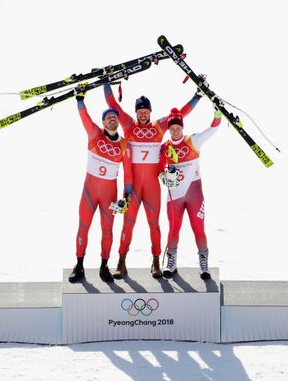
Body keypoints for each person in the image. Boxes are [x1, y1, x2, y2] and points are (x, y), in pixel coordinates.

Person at [103, 83, 201, 279]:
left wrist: (197, 96)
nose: (143, 114)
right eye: (140, 111)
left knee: (154, 224)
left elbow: (180, 114)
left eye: (146, 111)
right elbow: (113, 104)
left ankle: (156, 261)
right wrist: (106, 82)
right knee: (127, 224)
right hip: (132, 187)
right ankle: (121, 261)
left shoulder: (159, 126)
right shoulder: (129, 125)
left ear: (150, 112)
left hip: (152, 187)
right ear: (136, 112)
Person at [69, 88, 132, 284]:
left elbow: (128, 175)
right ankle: (79, 265)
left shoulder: (124, 145)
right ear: (103, 122)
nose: (112, 119)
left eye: (115, 117)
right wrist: (80, 99)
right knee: (83, 227)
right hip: (89, 191)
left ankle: (104, 265)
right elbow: (85, 117)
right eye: (108, 117)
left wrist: (126, 198)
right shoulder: (95, 134)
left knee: (107, 230)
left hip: (109, 194)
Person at [158, 106, 222, 280]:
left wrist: (217, 113)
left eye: (178, 127)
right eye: (172, 128)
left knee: (198, 228)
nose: (175, 131)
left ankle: (203, 263)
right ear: (168, 129)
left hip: (195, 194)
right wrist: (164, 176)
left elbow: (213, 128)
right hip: (174, 196)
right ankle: (171, 262)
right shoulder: (164, 147)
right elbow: (158, 168)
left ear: (182, 127)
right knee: (173, 228)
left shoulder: (193, 140)